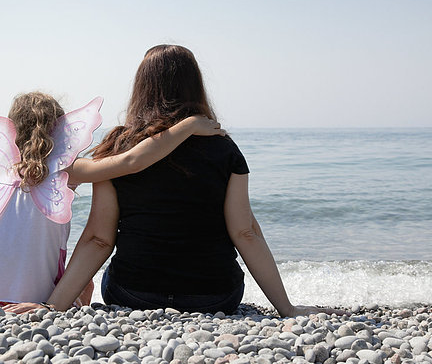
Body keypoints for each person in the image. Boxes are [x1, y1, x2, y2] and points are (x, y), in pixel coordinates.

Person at [44, 45, 345, 317]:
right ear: (196, 86)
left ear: (141, 88)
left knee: (113, 274)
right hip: (214, 296)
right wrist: (287, 308)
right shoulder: (223, 148)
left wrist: (53, 307)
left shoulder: (118, 147)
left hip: (133, 293)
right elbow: (246, 232)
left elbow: (99, 239)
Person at [0, 91, 225, 311]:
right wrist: (188, 126)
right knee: (85, 284)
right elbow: (131, 162)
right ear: (60, 130)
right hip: (32, 303)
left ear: (13, 130)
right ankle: (56, 309)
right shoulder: (64, 171)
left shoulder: (3, 173)